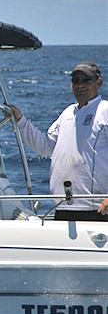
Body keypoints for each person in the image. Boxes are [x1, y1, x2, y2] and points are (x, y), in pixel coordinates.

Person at [7, 61, 107, 221]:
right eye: (76, 80)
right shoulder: (67, 113)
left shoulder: (105, 111)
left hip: (98, 209)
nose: (80, 85)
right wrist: (20, 120)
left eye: (86, 80)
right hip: (63, 207)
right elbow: (45, 146)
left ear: (99, 83)